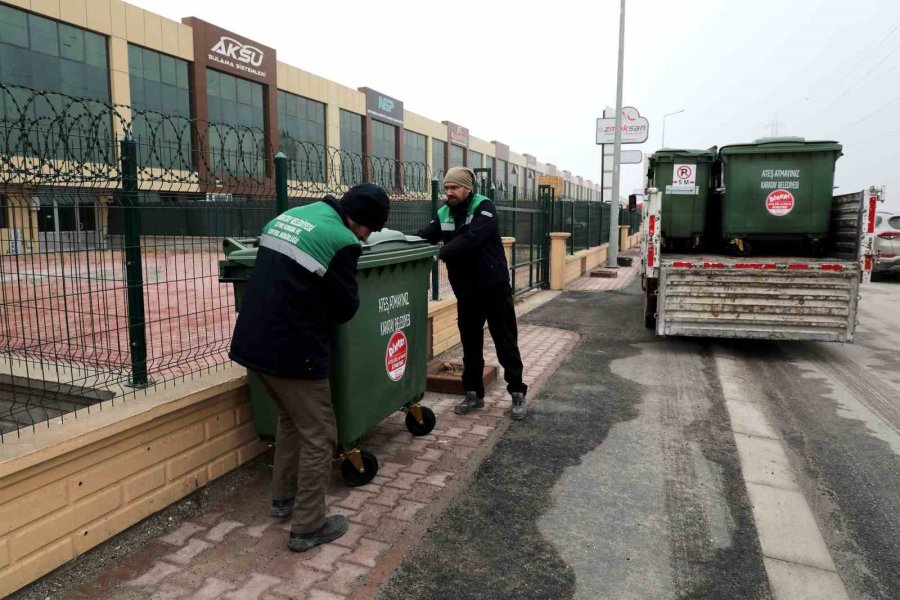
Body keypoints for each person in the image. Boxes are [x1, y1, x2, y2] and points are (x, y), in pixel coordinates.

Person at [229, 183, 390, 552]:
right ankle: (308, 526)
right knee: (320, 436)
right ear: (361, 220)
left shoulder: (290, 217)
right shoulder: (341, 240)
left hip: (252, 344)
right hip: (293, 352)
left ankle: (282, 501)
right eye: (371, 228)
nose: (368, 237)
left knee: (290, 420)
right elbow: (346, 307)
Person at [417, 166, 528, 420]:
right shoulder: (443, 212)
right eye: (446, 188)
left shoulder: (484, 207)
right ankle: (473, 393)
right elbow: (426, 235)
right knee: (470, 343)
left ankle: (517, 392)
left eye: (454, 187)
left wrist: (439, 252)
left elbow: (473, 238)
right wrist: (403, 243)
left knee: (505, 340)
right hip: (466, 291)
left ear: (467, 188)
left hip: (493, 287)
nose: (449, 193)